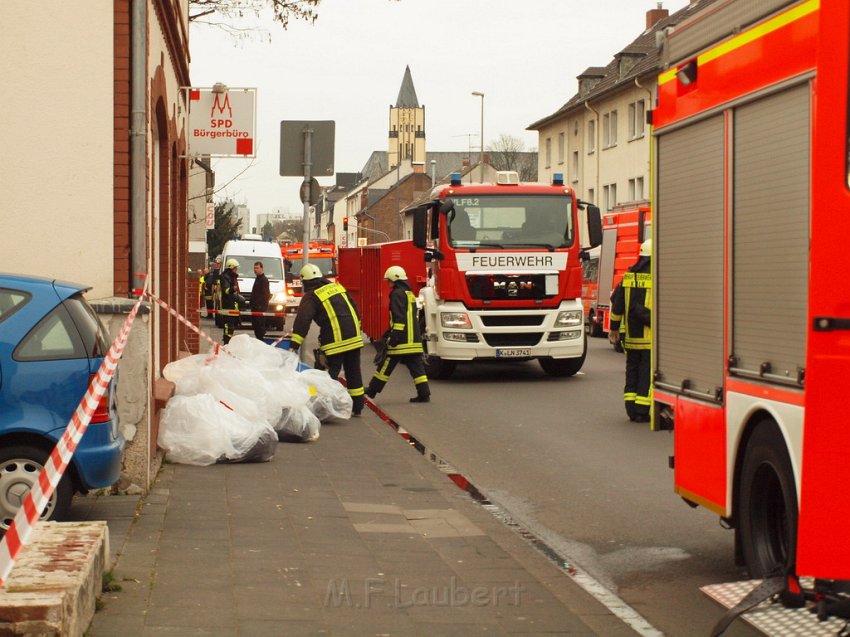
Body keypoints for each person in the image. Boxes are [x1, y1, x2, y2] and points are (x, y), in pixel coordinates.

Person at [289, 263, 366, 417]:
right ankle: (357, 405)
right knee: (353, 372)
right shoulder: (338, 287)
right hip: (354, 337)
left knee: (327, 376)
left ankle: (323, 407)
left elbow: (303, 320)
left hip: (335, 341)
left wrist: (294, 345)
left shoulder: (311, 295)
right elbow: (355, 309)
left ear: (305, 281)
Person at [365, 266, 431, 404]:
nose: (388, 283)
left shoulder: (396, 294)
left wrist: (393, 338)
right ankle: (424, 394)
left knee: (385, 365)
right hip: (414, 340)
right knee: (417, 368)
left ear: (395, 279)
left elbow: (399, 319)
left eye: (389, 280)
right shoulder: (409, 294)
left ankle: (371, 391)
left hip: (401, 340)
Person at [609, 239, 652, 423]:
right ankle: (642, 410)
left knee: (632, 371)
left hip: (631, 338)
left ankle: (631, 409)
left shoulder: (628, 277)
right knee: (645, 372)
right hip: (650, 337)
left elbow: (616, 304)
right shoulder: (657, 276)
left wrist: (614, 329)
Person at [219, 258, 246, 345]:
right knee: (228, 327)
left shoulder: (232, 277)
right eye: (235, 268)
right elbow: (226, 290)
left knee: (232, 326)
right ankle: (226, 343)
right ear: (231, 268)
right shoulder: (225, 277)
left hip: (233, 305)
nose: (236, 270)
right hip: (228, 305)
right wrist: (233, 289)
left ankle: (228, 343)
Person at [250, 261, 271, 341]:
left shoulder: (263, 280)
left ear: (261, 268)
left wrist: (261, 306)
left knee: (259, 327)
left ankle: (261, 341)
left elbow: (266, 295)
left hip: (259, 309)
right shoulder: (258, 279)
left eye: (257, 268)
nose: (255, 270)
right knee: (255, 326)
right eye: (254, 268)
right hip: (254, 308)